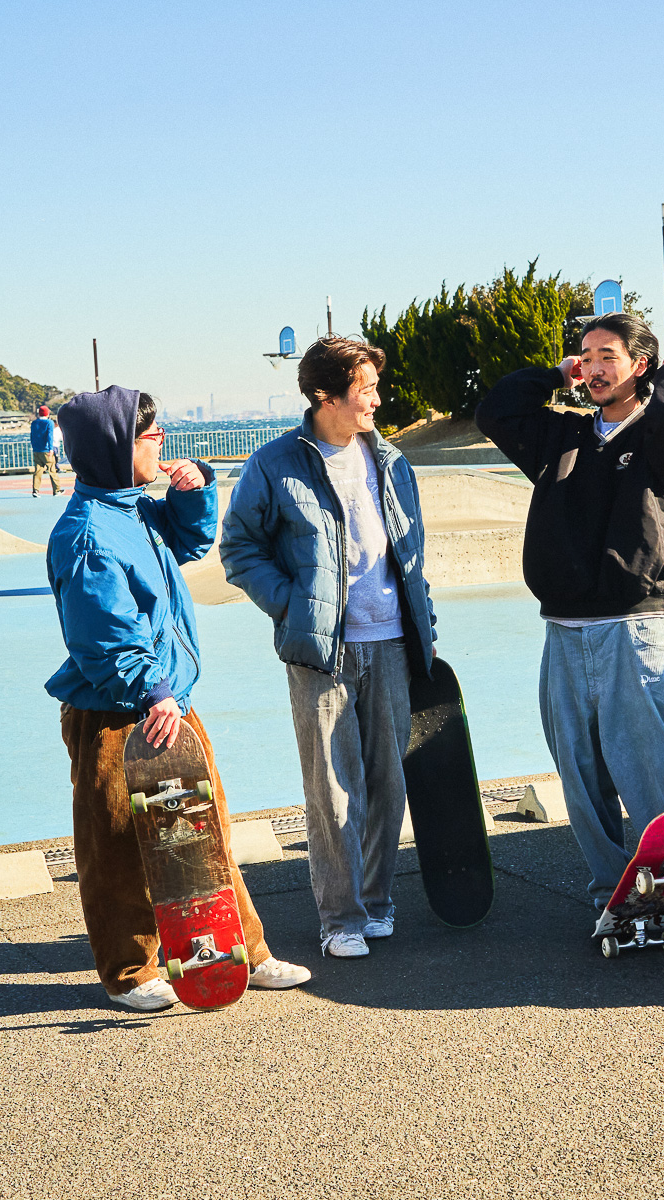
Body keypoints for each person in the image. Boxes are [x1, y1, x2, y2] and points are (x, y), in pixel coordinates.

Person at [46, 383, 311, 1010]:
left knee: (205, 829)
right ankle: (130, 972)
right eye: (150, 434)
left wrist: (193, 495)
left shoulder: (132, 509)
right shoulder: (86, 534)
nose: (161, 441)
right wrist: (154, 691)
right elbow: (103, 638)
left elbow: (187, 544)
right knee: (115, 846)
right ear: (114, 447)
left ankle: (247, 950)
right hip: (115, 713)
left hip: (166, 701)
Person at [475, 312, 664, 942]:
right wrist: (556, 375)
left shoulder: (661, 436)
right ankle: (616, 893)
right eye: (584, 356)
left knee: (659, 767)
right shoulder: (563, 437)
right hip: (562, 629)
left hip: (633, 625)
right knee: (581, 775)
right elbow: (496, 411)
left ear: (641, 365)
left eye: (607, 355)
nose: (592, 367)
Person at [220, 337, 437, 960]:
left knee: (387, 782)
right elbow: (239, 548)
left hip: (392, 640)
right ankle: (338, 918)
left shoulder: (391, 460)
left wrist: (422, 618)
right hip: (322, 651)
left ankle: (377, 903)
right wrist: (293, 606)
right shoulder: (274, 464)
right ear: (325, 396)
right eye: (364, 388)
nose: (376, 398)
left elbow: (409, 552)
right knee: (334, 788)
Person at [30, 405, 63, 496]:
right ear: (47, 413)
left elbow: (32, 436)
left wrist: (34, 447)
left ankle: (35, 490)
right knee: (52, 470)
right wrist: (51, 449)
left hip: (37, 450)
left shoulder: (34, 423)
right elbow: (49, 436)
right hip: (46, 450)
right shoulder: (49, 423)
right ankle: (56, 490)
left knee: (38, 471)